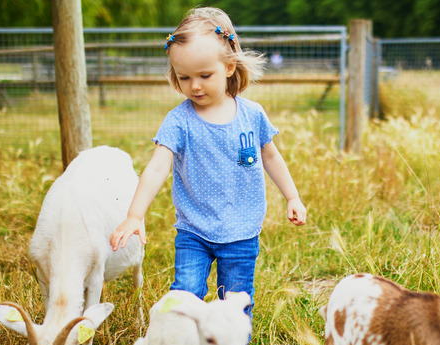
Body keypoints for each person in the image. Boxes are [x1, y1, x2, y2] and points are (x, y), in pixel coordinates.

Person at [109, 7, 306, 324]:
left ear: (229, 67)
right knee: (184, 296)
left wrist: (292, 196)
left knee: (236, 304)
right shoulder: (179, 121)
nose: (194, 86)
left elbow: (270, 156)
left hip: (241, 232)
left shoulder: (251, 115)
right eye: (184, 77)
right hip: (194, 231)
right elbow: (157, 167)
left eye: (204, 76)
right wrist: (134, 215)